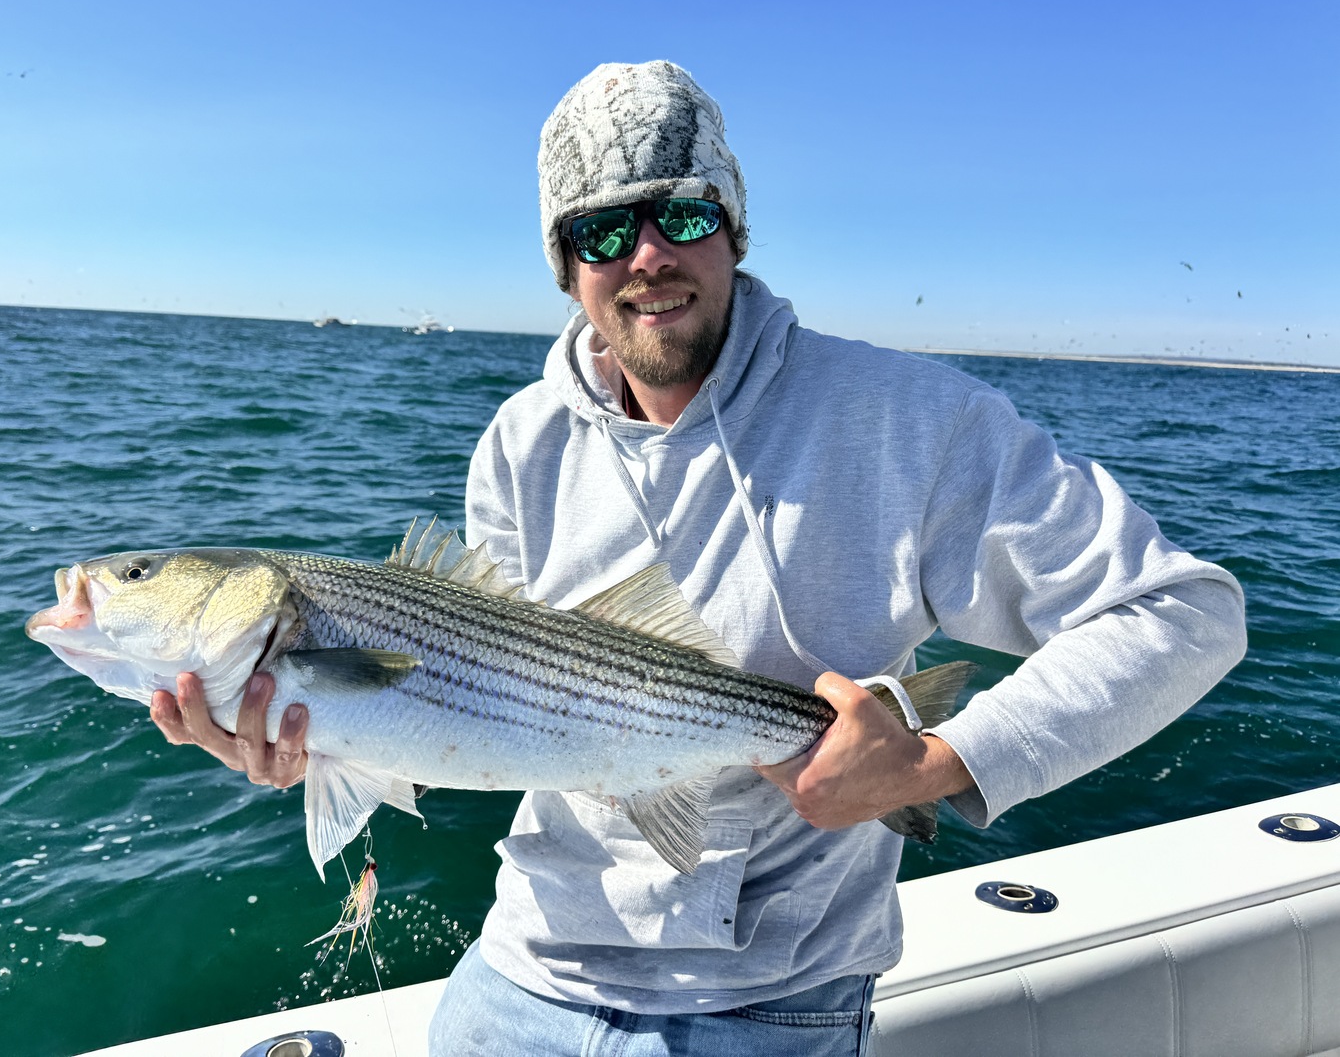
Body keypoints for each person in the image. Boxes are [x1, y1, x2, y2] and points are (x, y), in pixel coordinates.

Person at [152, 60, 1247, 1057]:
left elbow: (1184, 614)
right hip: (524, 971)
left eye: (681, 212)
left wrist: (935, 761)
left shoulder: (914, 422)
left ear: (733, 228)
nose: (646, 257)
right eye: (599, 232)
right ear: (565, 266)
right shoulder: (518, 443)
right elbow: (484, 703)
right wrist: (327, 746)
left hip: (774, 999)